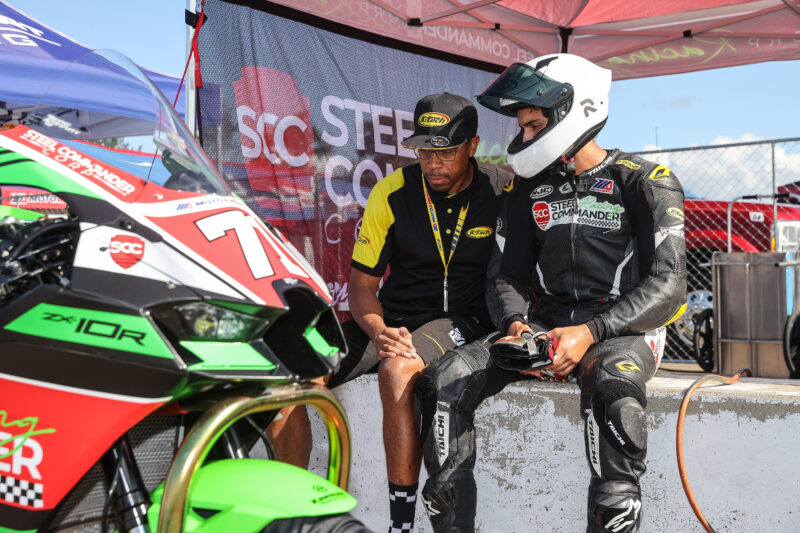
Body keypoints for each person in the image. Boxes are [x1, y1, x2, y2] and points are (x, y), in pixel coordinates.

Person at [415, 54, 687, 532]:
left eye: (534, 124)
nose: (522, 137)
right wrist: (516, 326)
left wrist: (589, 333)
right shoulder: (525, 191)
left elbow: (669, 286)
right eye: (521, 126)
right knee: (446, 379)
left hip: (624, 328)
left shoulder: (645, 181)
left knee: (615, 394)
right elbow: (506, 277)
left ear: (576, 111)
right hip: (549, 324)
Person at [328, 92, 509, 533]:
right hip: (391, 316)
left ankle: (400, 525)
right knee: (299, 366)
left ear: (472, 145)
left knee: (397, 372)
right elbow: (362, 286)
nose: (433, 164)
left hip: (464, 318)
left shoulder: (503, 189)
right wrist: (375, 328)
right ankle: (288, 512)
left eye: (445, 151)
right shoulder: (392, 191)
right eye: (425, 151)